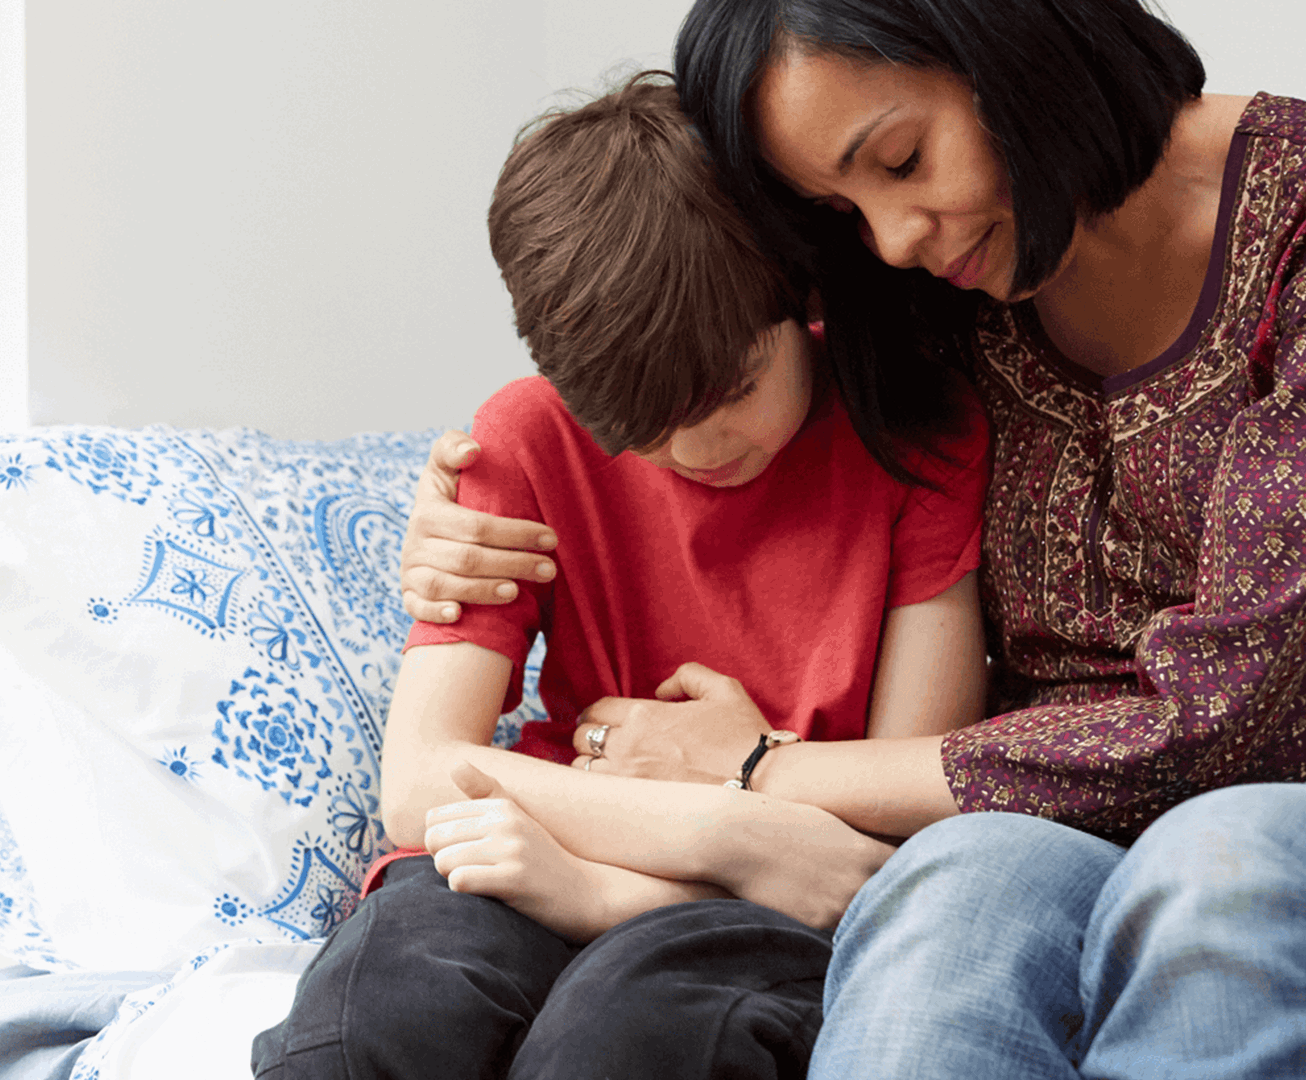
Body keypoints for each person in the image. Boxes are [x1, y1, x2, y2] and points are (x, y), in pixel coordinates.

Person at [396, 2, 1306, 1077]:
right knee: (941, 908)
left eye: (899, 162)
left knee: (1224, 868)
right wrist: (471, 507)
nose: (890, 238)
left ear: (1009, 40)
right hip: (1046, 831)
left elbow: (1241, 731)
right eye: (841, 211)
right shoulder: (937, 286)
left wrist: (760, 773)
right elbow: (671, 317)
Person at [251, 73, 990, 1080]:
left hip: (751, 913)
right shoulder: (525, 436)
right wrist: (726, 830)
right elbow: (421, 781)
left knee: (632, 1039)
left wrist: (615, 891)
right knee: (376, 1017)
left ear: (795, 291)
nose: (694, 446)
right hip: (551, 848)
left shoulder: (920, 438)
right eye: (638, 428)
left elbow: (890, 840)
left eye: (730, 390)